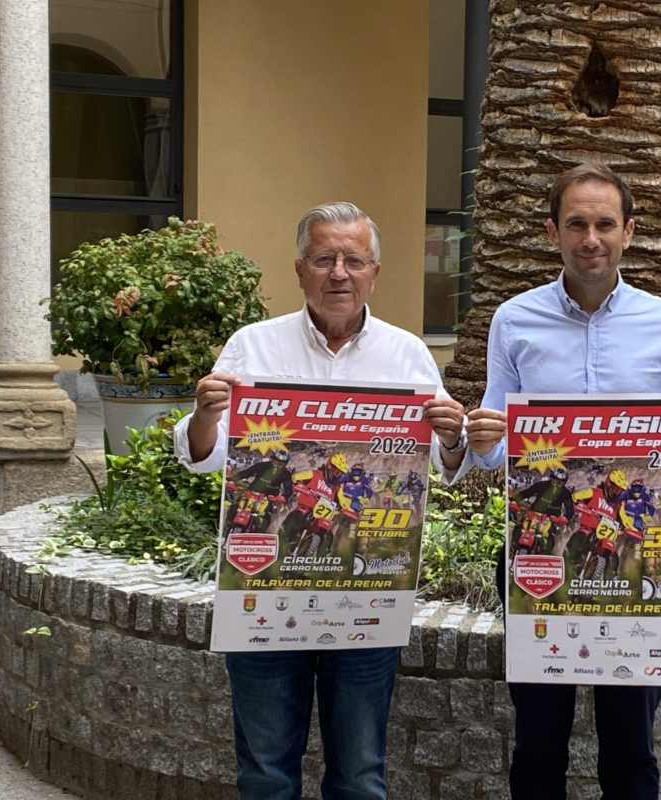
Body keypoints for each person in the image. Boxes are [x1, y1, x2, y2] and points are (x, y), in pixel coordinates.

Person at [464, 163, 661, 800]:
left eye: (603, 223)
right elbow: (496, 448)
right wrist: (482, 443)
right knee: (538, 743)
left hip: (637, 557)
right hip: (540, 553)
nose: (589, 237)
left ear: (629, 231)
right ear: (552, 231)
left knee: (630, 748)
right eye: (576, 224)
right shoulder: (513, 320)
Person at [173, 202, 469, 800]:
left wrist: (452, 435)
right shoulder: (252, 346)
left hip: (366, 597)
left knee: (360, 776)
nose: (339, 272)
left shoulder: (407, 353)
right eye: (324, 258)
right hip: (265, 592)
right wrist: (205, 414)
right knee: (264, 774)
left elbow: (446, 464)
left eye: (353, 260)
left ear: (374, 272)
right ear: (300, 268)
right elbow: (203, 454)